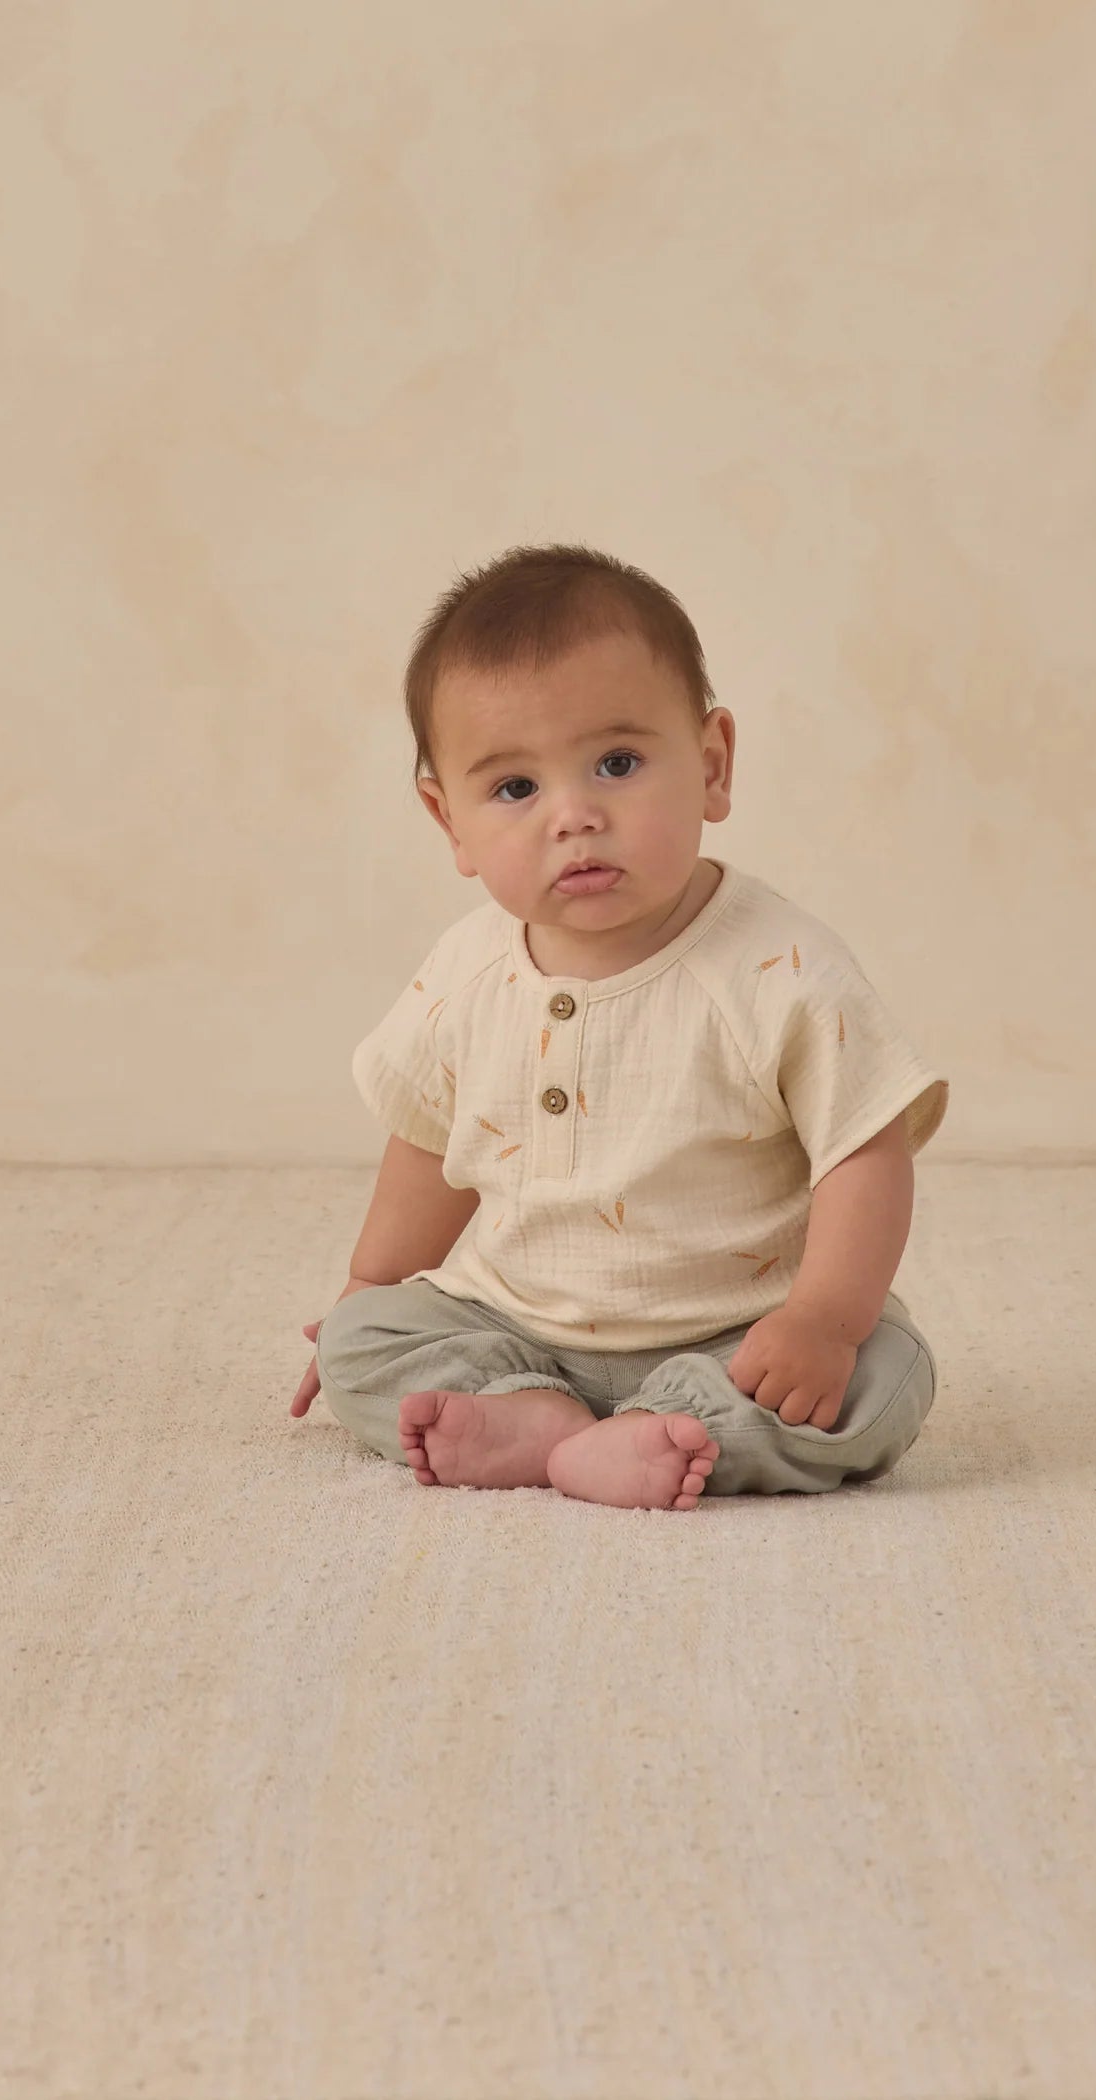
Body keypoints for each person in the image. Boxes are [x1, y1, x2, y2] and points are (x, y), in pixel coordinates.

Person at [290, 542, 949, 1511]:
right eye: (516, 789)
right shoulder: (466, 973)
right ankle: (539, 1417)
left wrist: (822, 1320)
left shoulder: (779, 967)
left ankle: (663, 1423)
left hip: (736, 1337)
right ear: (450, 822)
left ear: (712, 765)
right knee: (362, 1342)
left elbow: (866, 1151)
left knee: (885, 1374)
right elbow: (429, 1143)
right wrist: (370, 1284)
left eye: (618, 764)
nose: (575, 816)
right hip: (512, 1323)